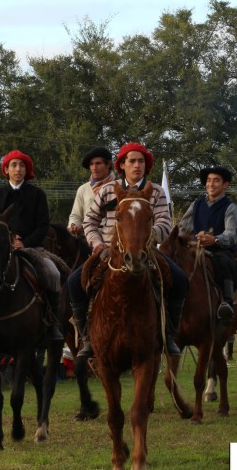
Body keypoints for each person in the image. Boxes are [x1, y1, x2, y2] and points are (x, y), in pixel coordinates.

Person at [70, 142, 188, 360]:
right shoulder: (107, 190)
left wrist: (143, 236)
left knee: (180, 279)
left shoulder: (157, 192)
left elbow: (164, 223)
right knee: (73, 282)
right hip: (107, 250)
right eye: (132, 161)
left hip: (146, 251)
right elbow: (90, 221)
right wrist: (97, 244)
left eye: (141, 161)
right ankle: (87, 338)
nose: (137, 165)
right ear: (122, 165)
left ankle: (169, 334)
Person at [0, 149, 63, 340]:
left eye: (22, 165)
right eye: (14, 165)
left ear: (27, 170)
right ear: (6, 169)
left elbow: (43, 225)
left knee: (53, 273)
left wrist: (25, 241)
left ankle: (53, 321)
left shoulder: (37, 194)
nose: (18, 169)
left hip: (32, 248)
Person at [178, 166, 237, 323]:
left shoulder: (230, 207)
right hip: (195, 248)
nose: (211, 184)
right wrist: (190, 239)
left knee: (224, 262)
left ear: (225, 185)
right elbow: (182, 228)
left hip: (219, 249)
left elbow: (232, 233)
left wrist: (215, 239)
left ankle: (227, 302)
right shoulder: (196, 205)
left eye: (216, 181)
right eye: (209, 180)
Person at [68, 146, 115, 236]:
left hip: (113, 238)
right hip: (87, 238)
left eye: (98, 163)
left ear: (108, 164)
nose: (94, 167)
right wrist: (74, 225)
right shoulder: (83, 189)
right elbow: (75, 215)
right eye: (91, 164)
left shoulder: (119, 187)